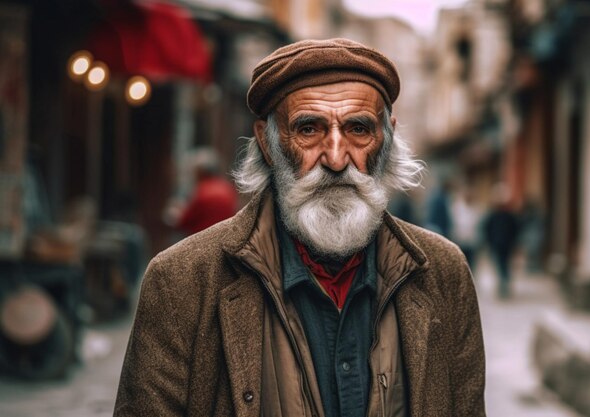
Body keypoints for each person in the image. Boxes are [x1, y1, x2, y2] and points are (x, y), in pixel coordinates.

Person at [114, 38, 486, 417]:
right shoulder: (181, 281)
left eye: (358, 128)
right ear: (268, 142)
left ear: (386, 139)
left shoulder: (444, 272)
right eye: (309, 129)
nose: (337, 158)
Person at [165, 148, 238, 236]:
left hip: (202, 240)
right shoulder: (227, 188)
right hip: (223, 237)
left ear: (200, 172)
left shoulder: (202, 192)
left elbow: (185, 221)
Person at [484, 183, 519, 298]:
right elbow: (487, 229)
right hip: (497, 244)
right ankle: (503, 285)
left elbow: (515, 230)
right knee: (500, 265)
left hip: (506, 244)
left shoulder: (509, 216)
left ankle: (504, 285)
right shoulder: (493, 215)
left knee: (505, 265)